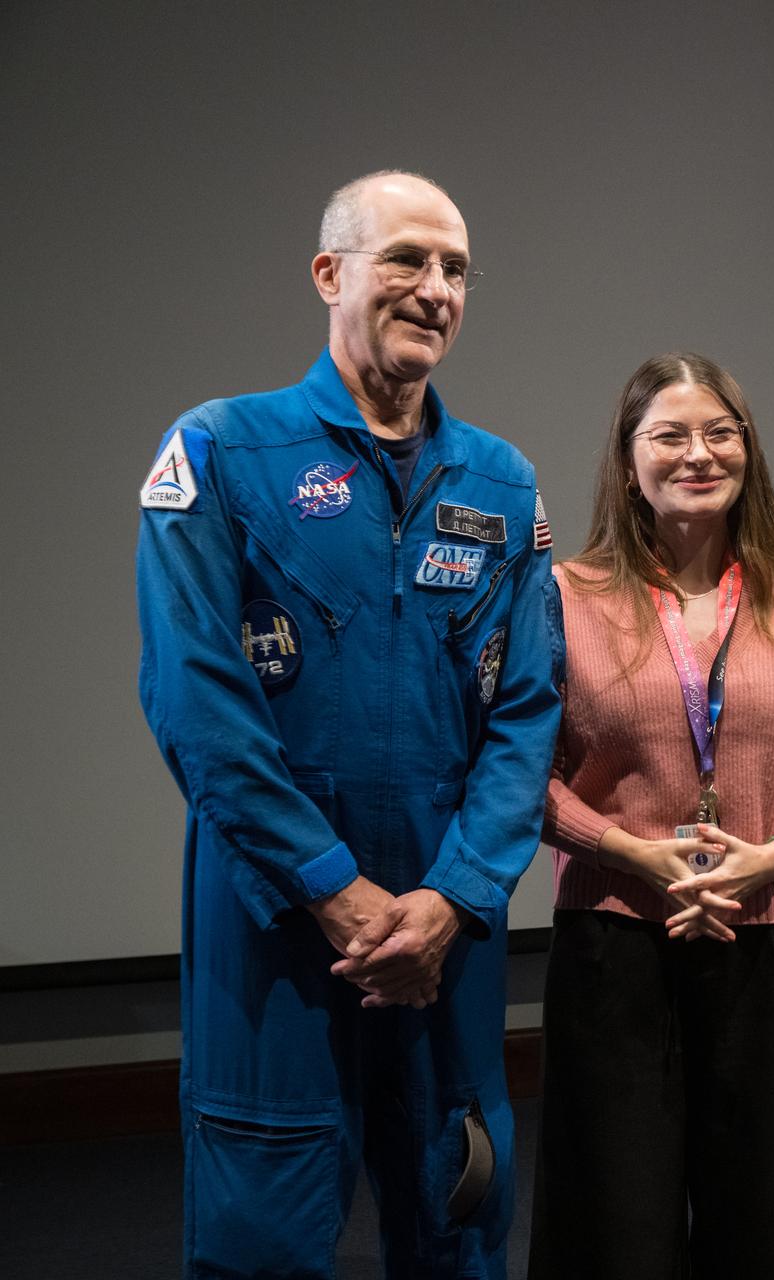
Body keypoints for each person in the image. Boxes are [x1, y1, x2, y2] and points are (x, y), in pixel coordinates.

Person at [136, 171, 563, 1277]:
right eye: (407, 260)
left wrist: (457, 896)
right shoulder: (224, 452)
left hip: (443, 931)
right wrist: (331, 886)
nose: (435, 288)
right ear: (331, 274)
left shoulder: (502, 482)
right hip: (274, 928)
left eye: (457, 268)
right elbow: (195, 695)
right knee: (262, 1238)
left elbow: (527, 713)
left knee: (458, 1216)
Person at [532, 352, 774, 1279]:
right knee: (616, 1225)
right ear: (628, 455)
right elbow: (525, 773)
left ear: (747, 450)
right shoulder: (565, 597)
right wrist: (633, 853)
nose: (699, 454)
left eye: (720, 433)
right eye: (672, 435)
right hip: (617, 940)